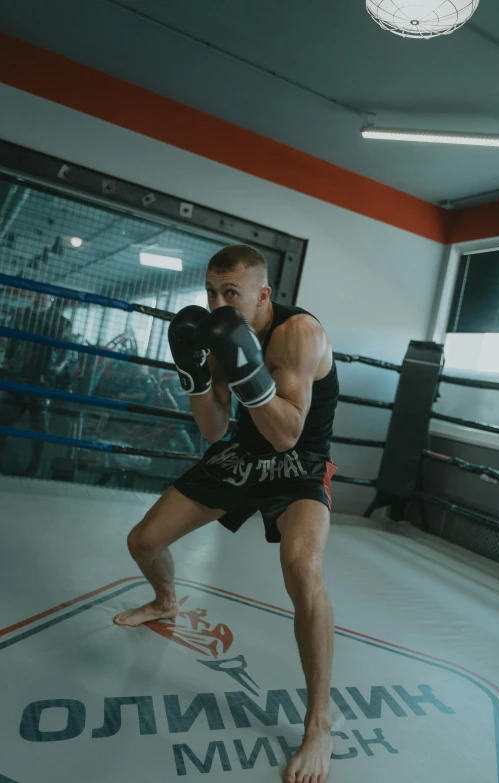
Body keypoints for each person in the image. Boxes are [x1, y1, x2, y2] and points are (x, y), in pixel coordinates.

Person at [114, 244, 339, 783]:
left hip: (299, 463)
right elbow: (215, 430)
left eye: (229, 293)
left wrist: (248, 372)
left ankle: (319, 725)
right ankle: (166, 601)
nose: (217, 303)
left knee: (303, 568)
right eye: (212, 292)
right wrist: (196, 373)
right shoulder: (220, 331)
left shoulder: (298, 335)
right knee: (143, 542)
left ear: (263, 294)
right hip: (242, 455)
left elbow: (286, 434)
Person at [0, 293, 72, 477]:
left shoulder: (61, 323)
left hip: (41, 379)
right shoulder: (20, 316)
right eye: (39, 293)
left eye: (45, 294)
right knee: (3, 417)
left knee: (39, 423)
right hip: (17, 375)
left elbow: (65, 351)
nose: (40, 296)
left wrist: (54, 370)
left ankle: (36, 465)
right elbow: (12, 343)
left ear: (52, 298)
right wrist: (7, 362)